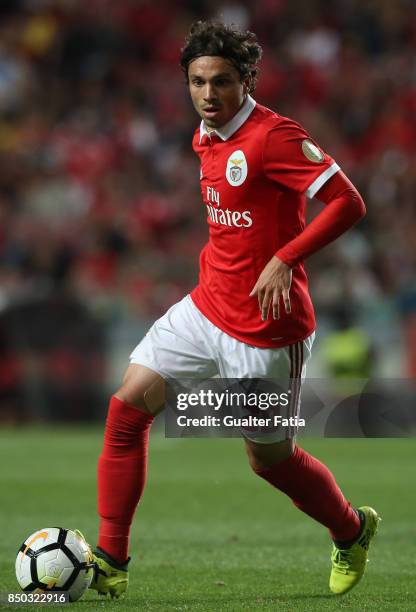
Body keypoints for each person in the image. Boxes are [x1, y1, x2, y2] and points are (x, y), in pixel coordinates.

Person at [88, 20, 380, 598]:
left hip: (268, 330)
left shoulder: (275, 137)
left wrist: (285, 258)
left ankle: (350, 530)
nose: (208, 94)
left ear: (246, 80)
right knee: (126, 411)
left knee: (270, 460)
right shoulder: (205, 133)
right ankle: (110, 560)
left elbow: (349, 201)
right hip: (205, 306)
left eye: (221, 81)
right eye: (197, 81)